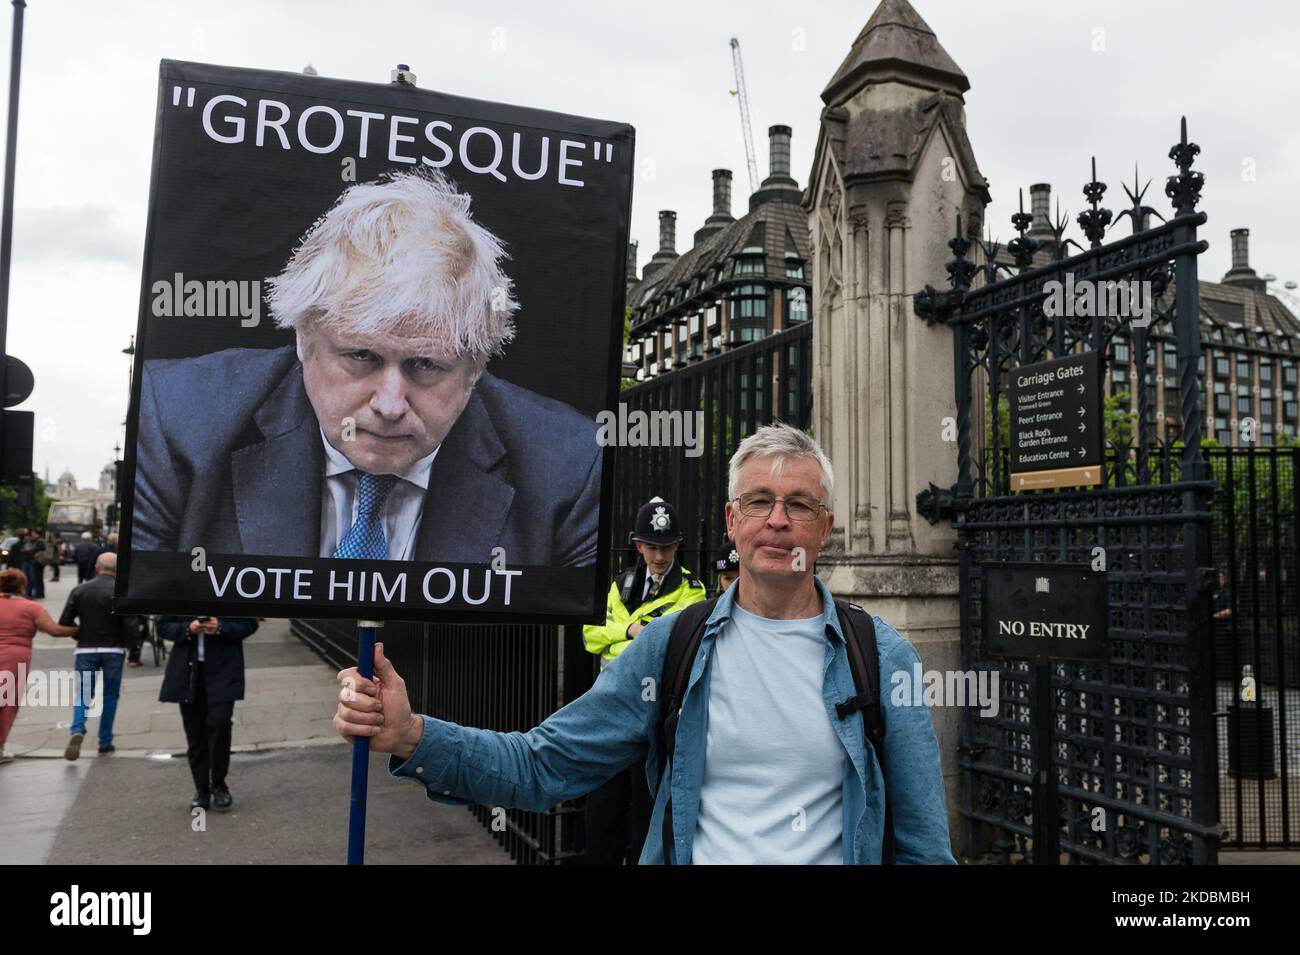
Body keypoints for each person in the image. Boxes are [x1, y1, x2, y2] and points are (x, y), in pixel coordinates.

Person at [335, 423, 955, 864]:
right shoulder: (672, 648)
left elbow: (925, 845)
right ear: (732, 520)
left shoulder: (881, 658)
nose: (778, 520)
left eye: (800, 504)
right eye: (759, 501)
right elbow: (544, 764)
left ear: (826, 527)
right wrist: (412, 734)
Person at [131, 168, 600, 567]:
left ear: (474, 369)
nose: (390, 405)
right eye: (361, 357)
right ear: (303, 339)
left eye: (426, 365)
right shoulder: (175, 418)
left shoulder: (570, 466)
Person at [581, 496, 706, 864]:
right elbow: (590, 634)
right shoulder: (620, 584)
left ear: (677, 545)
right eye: (652, 546)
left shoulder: (692, 589)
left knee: (647, 808)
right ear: (638, 545)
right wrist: (636, 629)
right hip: (612, 707)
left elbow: (673, 640)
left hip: (656, 712)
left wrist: (622, 631)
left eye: (667, 547)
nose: (660, 556)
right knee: (603, 804)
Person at [157, 613, 260, 811]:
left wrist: (221, 627)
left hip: (223, 670)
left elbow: (249, 623)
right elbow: (163, 626)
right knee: (195, 733)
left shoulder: (229, 587)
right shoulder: (177, 589)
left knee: (220, 723)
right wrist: (188, 629)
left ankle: (219, 784)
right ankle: (202, 788)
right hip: (188, 672)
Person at [0, 569, 79, 764]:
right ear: (22, 586)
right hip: (15, 656)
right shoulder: (31, 608)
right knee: (7, 703)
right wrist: (80, 629)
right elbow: (55, 630)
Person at [59, 553, 128, 759]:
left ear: (97, 568)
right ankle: (105, 741)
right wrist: (133, 650)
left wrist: (80, 633)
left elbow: (66, 621)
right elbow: (131, 624)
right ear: (117, 570)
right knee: (110, 696)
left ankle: (77, 728)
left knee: (83, 694)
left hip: (86, 649)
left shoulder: (79, 590)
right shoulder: (122, 592)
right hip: (114, 649)